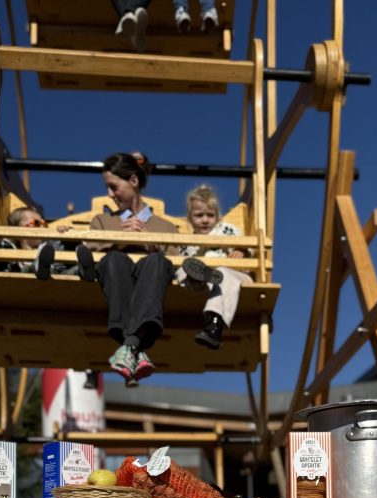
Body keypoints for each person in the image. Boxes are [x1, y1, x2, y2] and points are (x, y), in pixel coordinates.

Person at [80, 152, 181, 387]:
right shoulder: (102, 221)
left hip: (152, 277)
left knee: (156, 262)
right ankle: (136, 346)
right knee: (115, 259)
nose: (110, 194)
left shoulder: (165, 227)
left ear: (133, 182)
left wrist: (151, 244)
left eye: (113, 187)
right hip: (116, 277)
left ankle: (128, 347)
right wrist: (118, 239)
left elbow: (173, 263)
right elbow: (89, 253)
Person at [177, 184, 252, 350]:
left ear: (218, 216)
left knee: (222, 274)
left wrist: (241, 250)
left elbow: (249, 248)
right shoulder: (188, 241)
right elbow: (181, 260)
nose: (205, 220)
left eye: (210, 215)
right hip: (209, 279)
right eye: (199, 215)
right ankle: (213, 327)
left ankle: (213, 323)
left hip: (234, 276)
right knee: (182, 267)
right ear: (190, 218)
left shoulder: (227, 230)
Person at [3, 206, 96, 282]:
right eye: (36, 223)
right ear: (18, 229)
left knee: (72, 271)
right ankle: (38, 266)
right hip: (26, 281)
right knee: (27, 269)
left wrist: (65, 235)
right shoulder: (13, 255)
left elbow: (69, 247)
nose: (42, 227)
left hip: (57, 278)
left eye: (44, 223)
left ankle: (84, 270)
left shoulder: (50, 245)